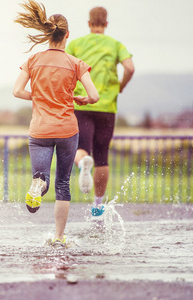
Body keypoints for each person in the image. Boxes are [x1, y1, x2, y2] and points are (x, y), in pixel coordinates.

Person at [13, 0, 99, 247]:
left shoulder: (33, 60)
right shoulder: (75, 63)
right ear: (67, 36)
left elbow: (17, 91)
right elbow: (94, 96)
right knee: (63, 183)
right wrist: (80, 98)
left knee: (42, 177)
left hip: (39, 130)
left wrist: (38, 96)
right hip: (66, 130)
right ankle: (59, 237)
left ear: (47, 34)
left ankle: (38, 184)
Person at [66, 6, 135, 217]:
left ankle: (82, 165)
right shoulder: (115, 45)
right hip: (106, 107)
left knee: (81, 149)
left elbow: (66, 69)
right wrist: (120, 86)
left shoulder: (76, 44)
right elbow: (130, 67)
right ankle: (97, 206)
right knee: (102, 156)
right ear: (106, 24)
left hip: (81, 104)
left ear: (89, 23)